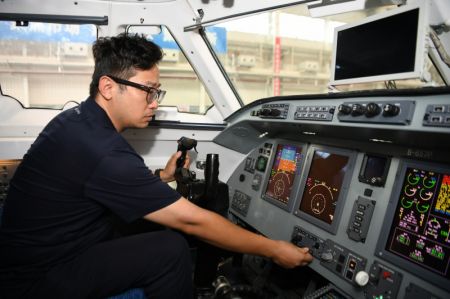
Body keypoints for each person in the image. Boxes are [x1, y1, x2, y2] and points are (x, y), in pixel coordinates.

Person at [0, 33, 313, 299]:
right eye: (148, 90)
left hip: (38, 250)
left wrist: (162, 178)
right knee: (170, 248)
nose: (155, 101)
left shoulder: (79, 121)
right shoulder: (103, 150)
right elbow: (194, 223)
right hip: (37, 277)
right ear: (108, 87)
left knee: (147, 224)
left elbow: (95, 182)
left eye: (157, 91)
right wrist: (272, 249)